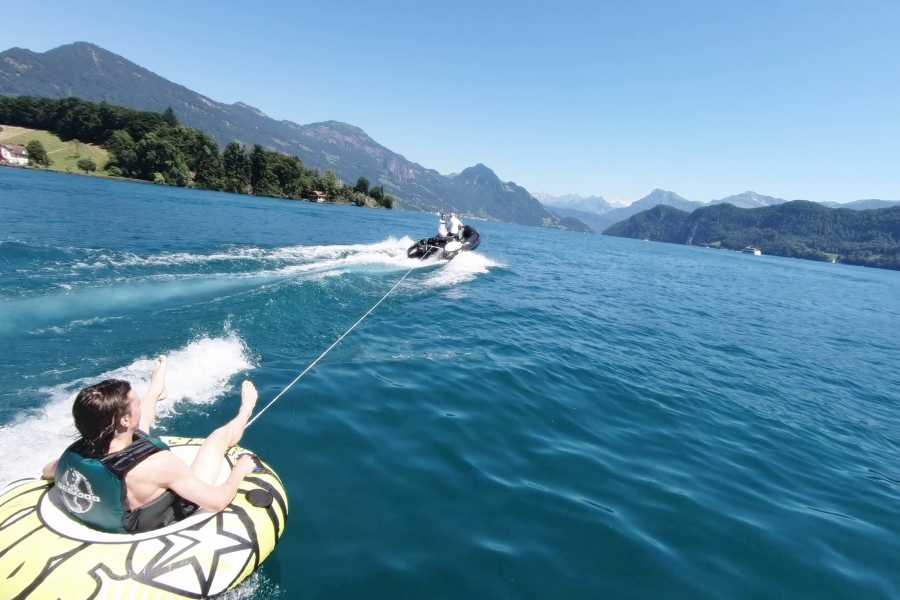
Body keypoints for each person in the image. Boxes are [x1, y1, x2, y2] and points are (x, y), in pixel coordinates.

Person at [41, 356, 259, 533]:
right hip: (145, 520)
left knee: (138, 431)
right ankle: (246, 410)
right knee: (216, 440)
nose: (139, 408)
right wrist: (240, 470)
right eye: (136, 403)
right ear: (125, 419)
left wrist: (149, 395)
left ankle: (156, 391)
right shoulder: (159, 464)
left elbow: (48, 472)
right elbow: (217, 501)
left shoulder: (74, 456)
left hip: (117, 494)